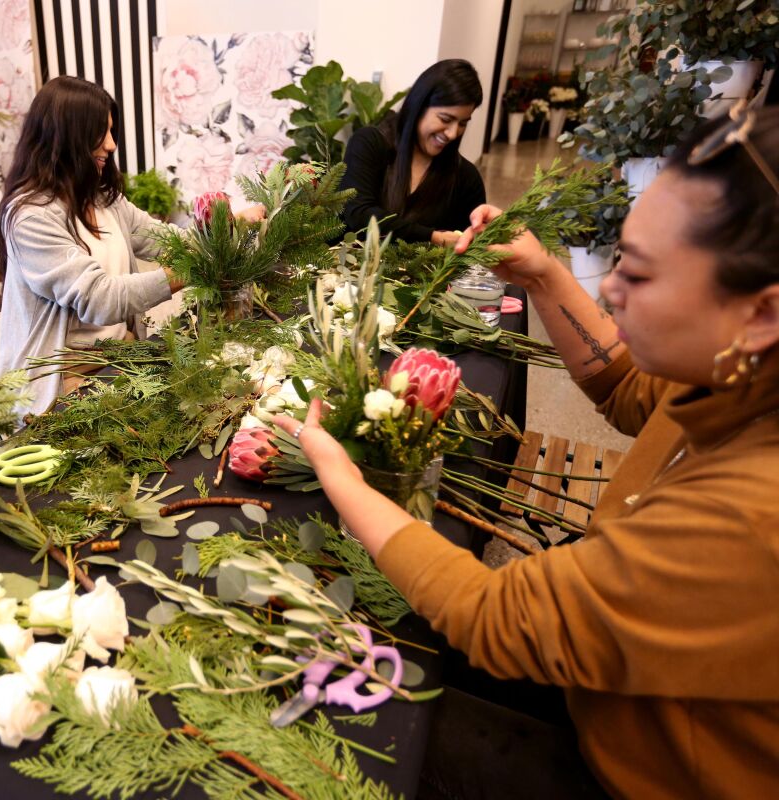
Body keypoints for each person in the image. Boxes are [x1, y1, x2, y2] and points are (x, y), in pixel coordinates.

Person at [276, 105, 779, 798]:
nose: (610, 287)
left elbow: (491, 616)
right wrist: (541, 275)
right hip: (605, 689)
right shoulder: (740, 378)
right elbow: (629, 388)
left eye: (639, 272)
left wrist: (338, 468)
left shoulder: (755, 521)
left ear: (761, 315)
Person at [0, 76, 262, 416]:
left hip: (120, 360)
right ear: (66, 137)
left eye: (110, 131)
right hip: (62, 384)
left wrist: (231, 226)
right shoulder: (30, 217)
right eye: (99, 134)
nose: (111, 145)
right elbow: (99, 298)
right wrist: (195, 269)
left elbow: (170, 241)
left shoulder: (104, 201)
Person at [340, 59, 485, 247]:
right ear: (419, 106)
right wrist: (432, 237)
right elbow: (358, 214)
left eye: (463, 123)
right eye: (445, 119)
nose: (452, 133)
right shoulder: (370, 143)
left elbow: (472, 245)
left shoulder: (466, 177)